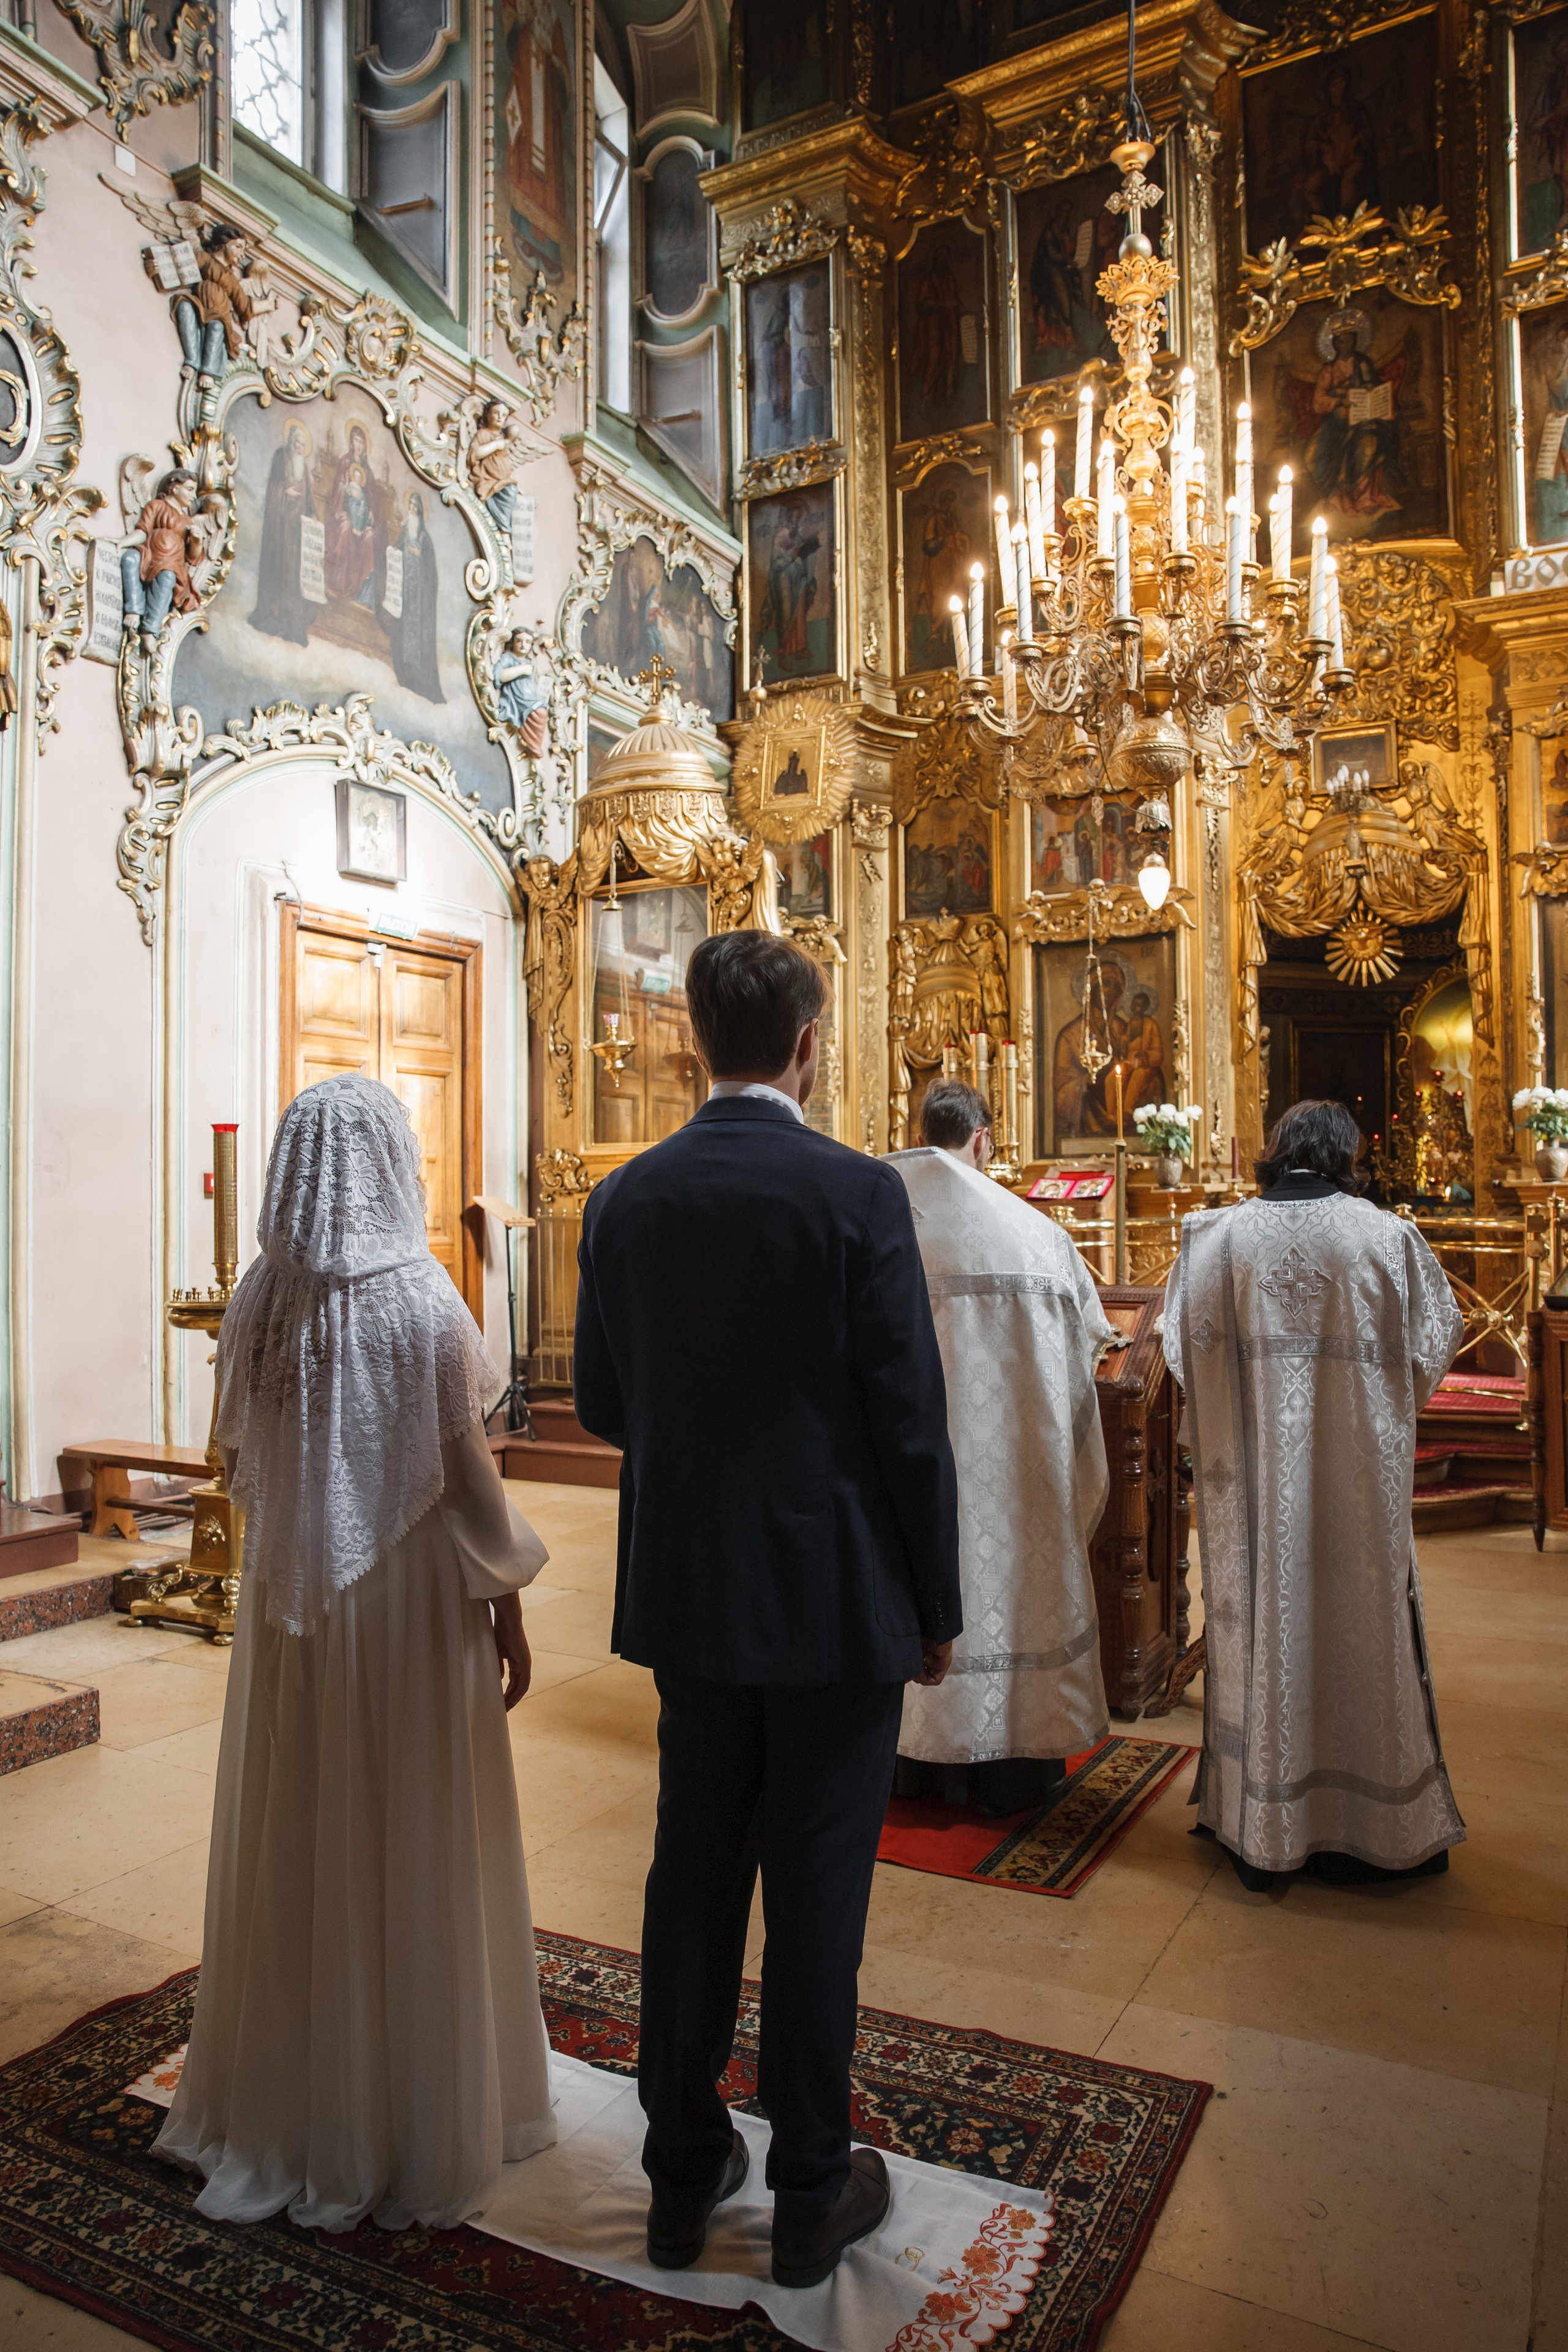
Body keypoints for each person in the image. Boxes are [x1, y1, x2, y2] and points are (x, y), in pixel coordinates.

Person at [574, 931, 961, 2292]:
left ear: (694, 1040)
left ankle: (681, 2173)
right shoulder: (857, 1192)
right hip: (835, 1597)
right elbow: (908, 1421)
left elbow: (605, 1404)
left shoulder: (625, 1197)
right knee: (816, 1890)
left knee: (690, 1876)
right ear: (809, 1044)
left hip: (691, 1591)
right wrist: (935, 1600)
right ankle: (808, 2190)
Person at [154, 1074, 557, 2228]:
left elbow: (238, 1459)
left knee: (304, 1817)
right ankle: (413, 2110)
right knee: (413, 1822)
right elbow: (468, 1484)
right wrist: (509, 1604)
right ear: (385, 1165)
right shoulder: (423, 1302)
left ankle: (292, 2091)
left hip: (296, 1610)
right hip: (409, 1607)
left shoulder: (257, 1303)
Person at [1163, 1097, 1467, 1892]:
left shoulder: (1217, 1238)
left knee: (1269, 1623)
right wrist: (1379, 1411)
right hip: (1357, 1479)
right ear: (1346, 1156)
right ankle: (1369, 1826)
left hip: (1253, 1486)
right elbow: (1439, 1339)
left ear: (1278, 1149)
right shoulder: (1387, 1237)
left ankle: (1262, 1822)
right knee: (1362, 1626)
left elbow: (1180, 1348)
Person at [889, 1080, 1116, 1815]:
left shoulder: (871, 1216)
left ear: (920, 1134)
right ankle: (1008, 1767)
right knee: (1011, 1581)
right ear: (983, 1140)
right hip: (1012, 1480)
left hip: (899, 1482)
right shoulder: (1035, 1234)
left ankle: (907, 1764)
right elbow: (1085, 1357)